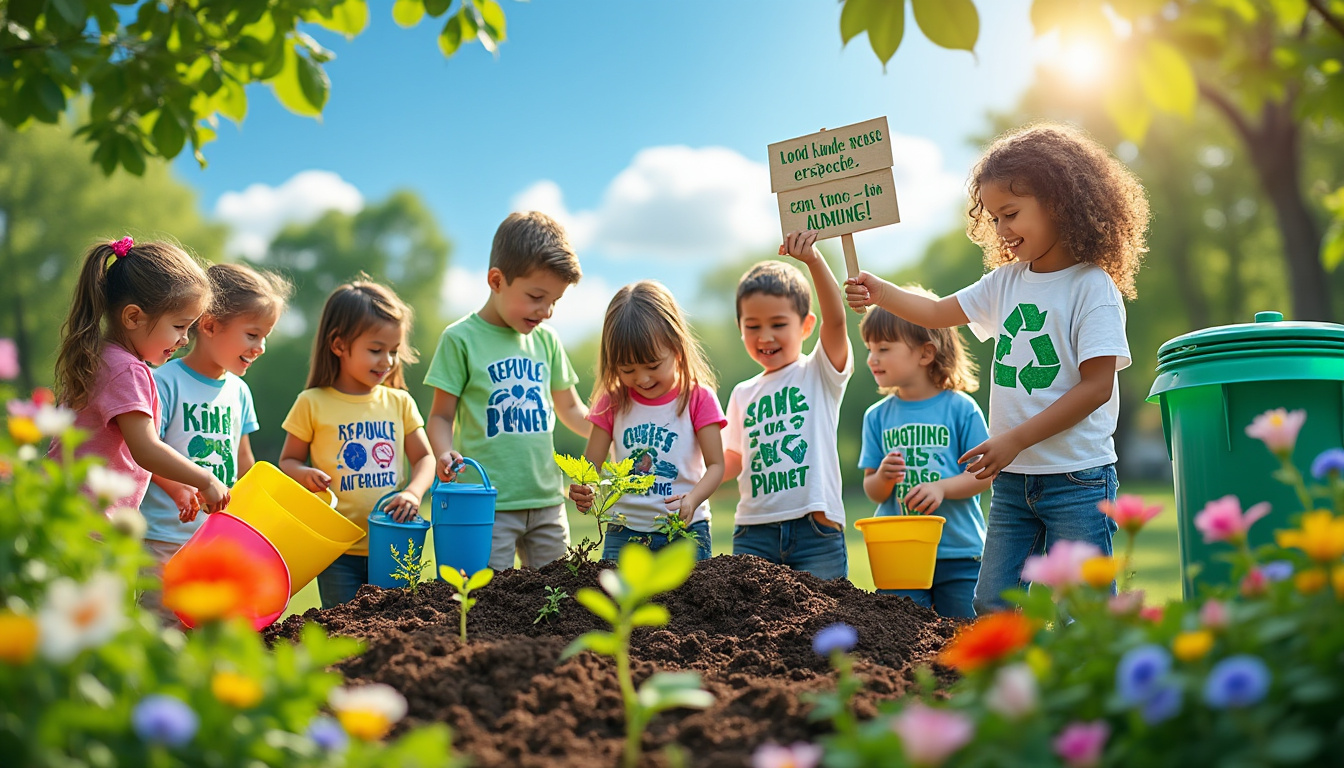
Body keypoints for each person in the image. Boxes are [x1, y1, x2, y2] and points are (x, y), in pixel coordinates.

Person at [845, 123, 1150, 614]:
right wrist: (881, 292)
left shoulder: (1092, 288)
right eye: (994, 219)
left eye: (1011, 214)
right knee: (990, 604)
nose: (1003, 231)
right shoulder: (1004, 282)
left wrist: (1014, 439)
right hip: (1012, 481)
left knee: (1083, 610)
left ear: (1060, 203)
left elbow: (1096, 388)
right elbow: (938, 312)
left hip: (1076, 476)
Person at [426, 212, 591, 571]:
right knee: (490, 597)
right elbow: (440, 415)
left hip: (547, 500)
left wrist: (614, 428)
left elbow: (572, 410)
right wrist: (442, 452)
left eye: (555, 301)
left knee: (557, 593)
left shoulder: (547, 342)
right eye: (536, 296)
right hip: (488, 504)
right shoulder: (460, 339)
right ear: (496, 280)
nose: (545, 311)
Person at [280, 277, 435, 608]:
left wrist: (413, 492)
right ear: (338, 345)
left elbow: (425, 459)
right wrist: (304, 474)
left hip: (394, 540)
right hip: (337, 549)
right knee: (344, 629)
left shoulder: (400, 403)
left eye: (393, 351)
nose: (388, 361)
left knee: (395, 624)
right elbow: (288, 461)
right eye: (376, 350)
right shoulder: (312, 402)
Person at [52, 237, 228, 514]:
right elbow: (145, 449)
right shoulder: (127, 371)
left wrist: (176, 486)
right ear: (133, 317)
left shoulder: (99, 357)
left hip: (61, 506)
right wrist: (204, 478)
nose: (184, 339)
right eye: (179, 326)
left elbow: (126, 448)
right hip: (86, 520)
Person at [722, 231, 852, 580]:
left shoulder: (818, 372)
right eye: (753, 326)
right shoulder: (741, 393)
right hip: (754, 532)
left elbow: (837, 321)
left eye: (778, 324)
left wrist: (812, 259)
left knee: (823, 623)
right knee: (750, 627)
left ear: (806, 325)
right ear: (740, 328)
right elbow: (731, 460)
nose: (765, 337)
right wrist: (691, 483)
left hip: (816, 529)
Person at [141, 264, 293, 562]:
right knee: (164, 611)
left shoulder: (239, 392)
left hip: (221, 537)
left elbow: (243, 460)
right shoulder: (166, 382)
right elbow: (147, 452)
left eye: (265, 337)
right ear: (209, 326)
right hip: (168, 538)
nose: (260, 347)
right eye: (252, 334)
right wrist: (179, 490)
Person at [568, 281, 726, 561]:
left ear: (677, 348)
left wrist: (693, 499)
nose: (642, 379)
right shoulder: (613, 401)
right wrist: (586, 490)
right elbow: (591, 466)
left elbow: (716, 465)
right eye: (627, 369)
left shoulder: (698, 398)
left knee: (690, 603)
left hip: (685, 529)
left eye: (653, 366)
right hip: (623, 531)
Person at [858, 298, 990, 618]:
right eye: (869, 349)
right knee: (904, 636)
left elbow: (983, 474)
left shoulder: (961, 409)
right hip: (898, 553)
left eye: (884, 348)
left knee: (962, 638)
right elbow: (872, 490)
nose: (872, 359)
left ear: (925, 353)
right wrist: (884, 478)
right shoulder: (876, 416)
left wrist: (942, 488)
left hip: (958, 551)